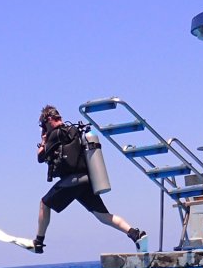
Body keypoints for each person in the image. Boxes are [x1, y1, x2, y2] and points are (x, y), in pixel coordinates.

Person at [32, 105, 144, 254]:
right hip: (87, 180)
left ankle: (39, 242)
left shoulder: (55, 134)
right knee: (103, 216)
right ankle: (136, 234)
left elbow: (40, 157)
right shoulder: (73, 131)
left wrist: (43, 141)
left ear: (48, 120)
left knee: (44, 203)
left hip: (73, 181)